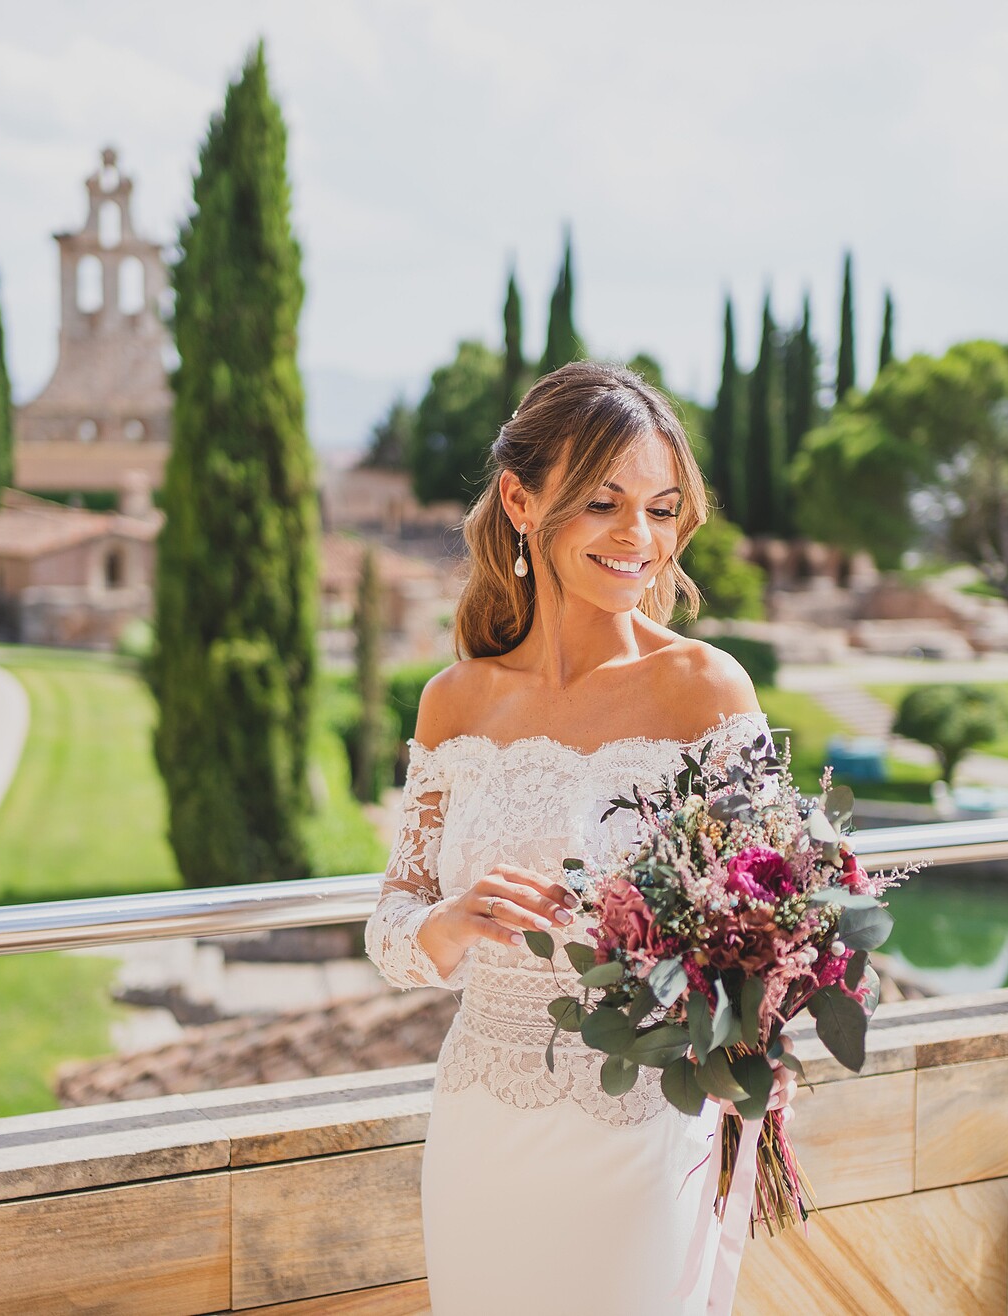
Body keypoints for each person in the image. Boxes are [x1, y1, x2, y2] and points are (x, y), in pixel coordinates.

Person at [365, 362, 796, 1315]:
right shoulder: (454, 704)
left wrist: (751, 1030)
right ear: (521, 499)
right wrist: (446, 923)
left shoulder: (709, 690)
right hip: (482, 1130)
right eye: (604, 503)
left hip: (645, 1127)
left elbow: (777, 910)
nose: (637, 537)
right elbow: (392, 923)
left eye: (660, 508)